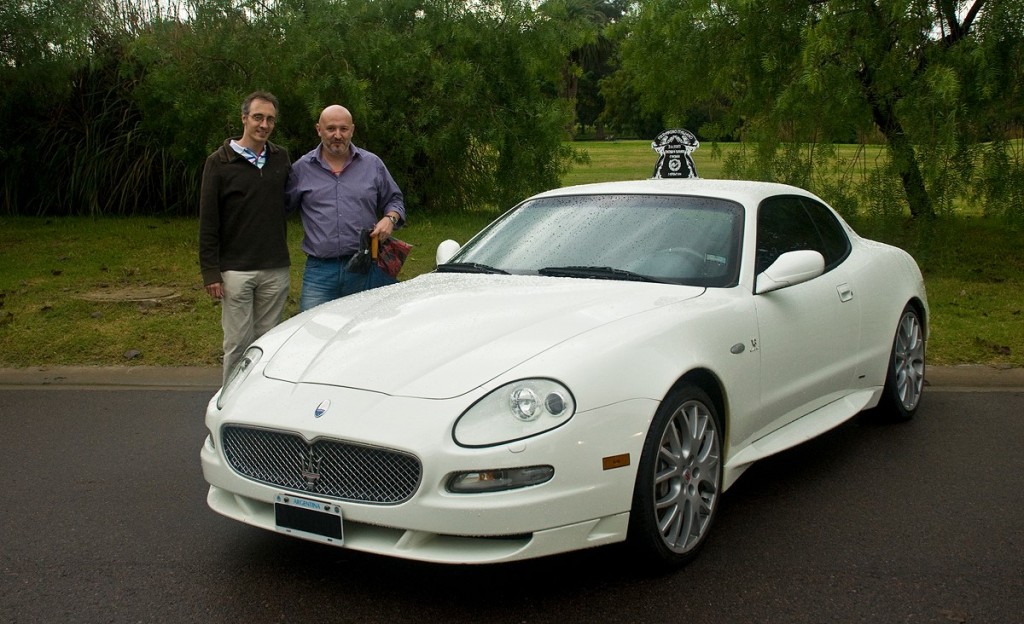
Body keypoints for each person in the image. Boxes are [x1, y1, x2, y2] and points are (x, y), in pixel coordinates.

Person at [199, 91, 292, 385]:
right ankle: (229, 405)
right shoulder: (219, 162)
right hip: (235, 270)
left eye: (270, 119)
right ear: (244, 118)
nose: (264, 125)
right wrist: (210, 272)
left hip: (275, 267)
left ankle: (259, 406)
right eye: (258, 117)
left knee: (268, 345)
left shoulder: (281, 158)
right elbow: (208, 220)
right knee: (238, 344)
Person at [287, 104, 405, 311]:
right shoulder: (301, 169)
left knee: (364, 331)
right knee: (310, 335)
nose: (337, 135)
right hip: (320, 271)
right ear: (318, 129)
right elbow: (280, 208)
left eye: (343, 129)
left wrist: (390, 219)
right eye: (331, 129)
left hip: (364, 266)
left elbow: (394, 199)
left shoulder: (372, 164)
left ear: (352, 129)